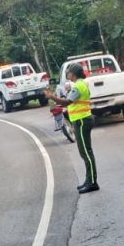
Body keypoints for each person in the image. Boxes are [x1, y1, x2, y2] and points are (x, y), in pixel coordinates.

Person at [46, 64, 98, 193]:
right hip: (82, 119)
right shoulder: (81, 84)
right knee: (85, 152)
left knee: (86, 152)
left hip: (82, 121)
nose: (67, 74)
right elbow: (72, 102)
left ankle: (92, 182)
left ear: (73, 74)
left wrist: (52, 97)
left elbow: (68, 102)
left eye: (68, 72)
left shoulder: (78, 86)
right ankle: (89, 180)